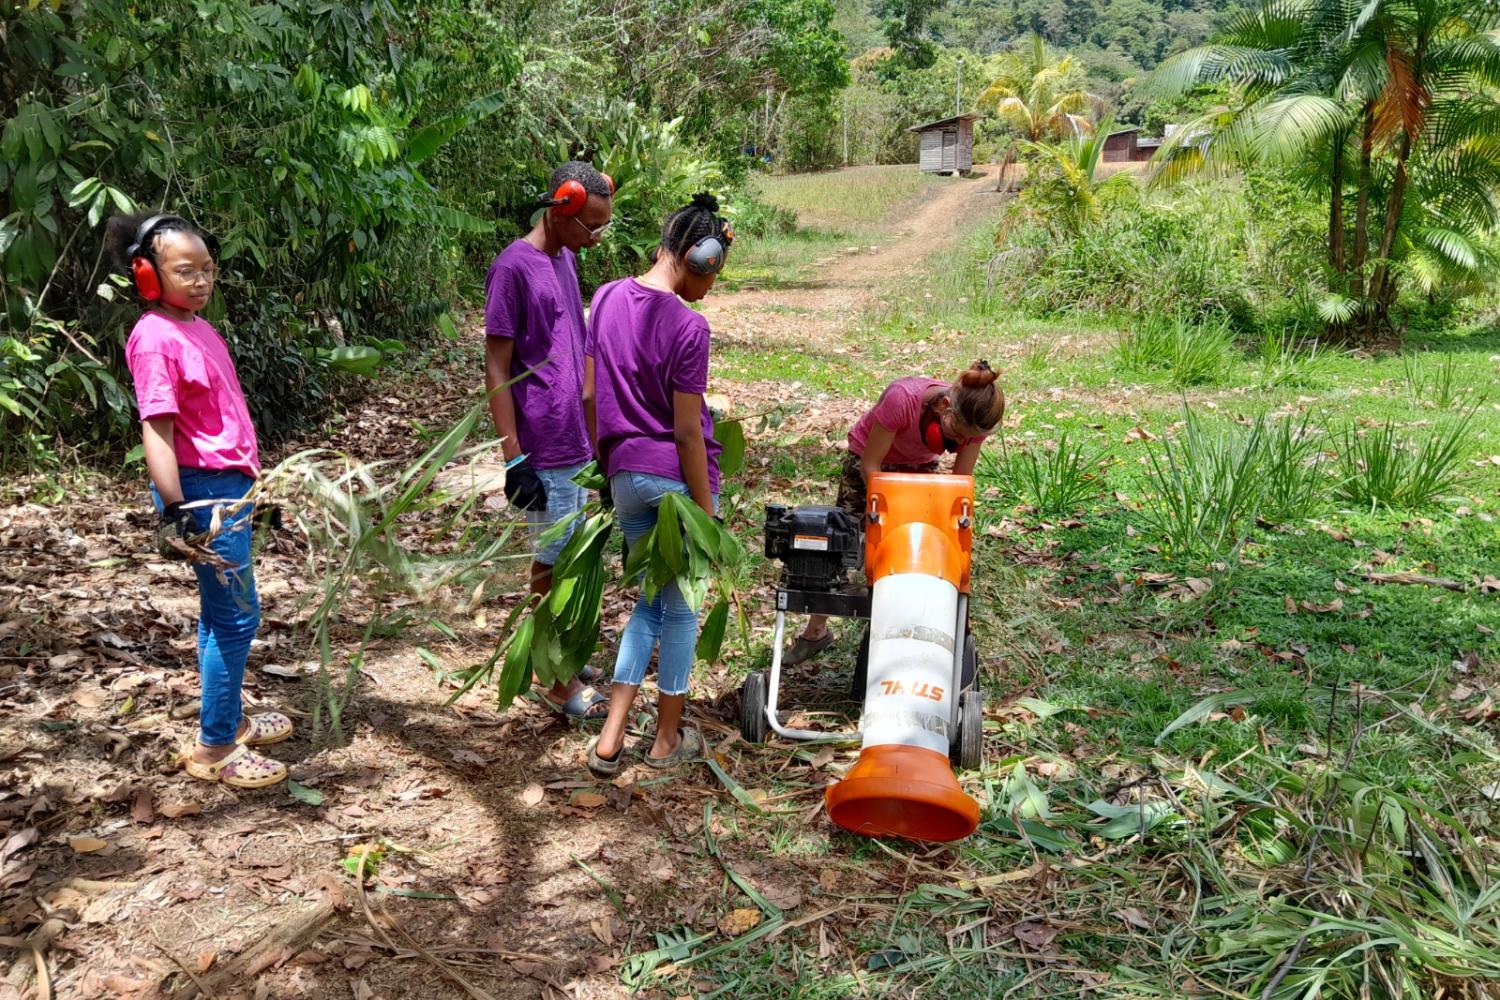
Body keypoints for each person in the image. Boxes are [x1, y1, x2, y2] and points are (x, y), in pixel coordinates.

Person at [108, 211, 291, 788]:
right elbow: (157, 432)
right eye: (184, 270)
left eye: (207, 269)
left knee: (220, 614)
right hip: (204, 492)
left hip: (231, 485)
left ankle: (227, 719)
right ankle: (214, 746)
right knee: (239, 617)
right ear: (147, 275)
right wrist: (175, 510)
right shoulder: (156, 338)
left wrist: (253, 489)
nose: (200, 280)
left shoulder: (196, 326)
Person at [580, 193, 733, 775]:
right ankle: (666, 738)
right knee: (681, 611)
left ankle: (611, 737)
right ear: (702, 259)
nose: (710, 289)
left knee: (648, 601)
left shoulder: (607, 296)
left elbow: (591, 396)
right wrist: (705, 510)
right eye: (714, 276)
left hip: (623, 476)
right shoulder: (690, 327)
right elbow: (689, 433)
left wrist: (606, 463)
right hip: (673, 482)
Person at [484, 161, 614, 719]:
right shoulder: (514, 267)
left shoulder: (564, 259)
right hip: (541, 443)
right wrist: (513, 454)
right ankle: (551, 678)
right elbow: (497, 363)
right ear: (559, 208)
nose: (594, 237)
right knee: (550, 563)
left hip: (575, 441)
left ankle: (565, 651)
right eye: (589, 225)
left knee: (574, 559)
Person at [782, 361, 1006, 664]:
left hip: (917, 468)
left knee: (920, 547)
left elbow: (959, 483)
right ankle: (816, 632)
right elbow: (869, 466)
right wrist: (886, 511)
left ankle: (914, 626)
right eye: (956, 432)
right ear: (943, 406)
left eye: (969, 438)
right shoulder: (902, 399)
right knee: (843, 543)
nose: (961, 443)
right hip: (870, 464)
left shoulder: (974, 421)